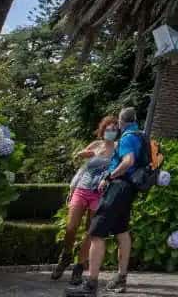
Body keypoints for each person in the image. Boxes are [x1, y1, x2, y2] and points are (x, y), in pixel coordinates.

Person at [67, 107, 144, 295]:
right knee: (122, 232)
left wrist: (109, 177)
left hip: (118, 187)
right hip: (130, 190)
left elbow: (128, 161)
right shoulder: (140, 135)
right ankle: (121, 278)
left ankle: (91, 285)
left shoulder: (126, 137)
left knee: (96, 234)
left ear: (121, 121)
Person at [53, 115, 119, 284]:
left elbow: (121, 166)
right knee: (71, 227)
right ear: (102, 130)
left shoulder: (118, 149)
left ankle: (79, 267)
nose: (110, 132)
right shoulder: (95, 145)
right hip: (82, 189)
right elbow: (82, 164)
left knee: (90, 232)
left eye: (114, 129)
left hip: (99, 193)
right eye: (108, 129)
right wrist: (82, 154)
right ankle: (66, 254)